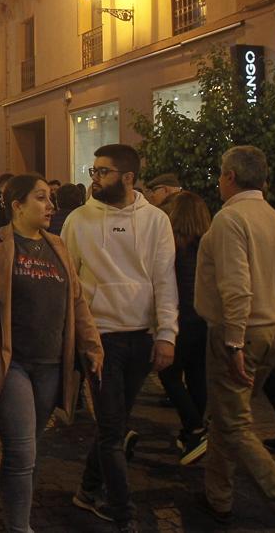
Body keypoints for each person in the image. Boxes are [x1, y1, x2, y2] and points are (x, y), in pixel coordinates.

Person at [0, 174, 103, 533]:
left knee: (27, 450)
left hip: (51, 366)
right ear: (17, 205)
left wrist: (91, 346)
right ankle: (20, 527)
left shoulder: (57, 245)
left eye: (50, 199)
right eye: (41, 198)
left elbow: (76, 301)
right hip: (9, 361)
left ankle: (15, 516)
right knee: (21, 453)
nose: (51, 206)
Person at [190, 146, 275, 531]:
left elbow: (236, 286)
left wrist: (233, 341)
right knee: (224, 417)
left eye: (220, 174)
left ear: (230, 176)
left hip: (240, 333)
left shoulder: (231, 219)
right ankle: (218, 496)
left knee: (235, 426)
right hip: (270, 330)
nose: (219, 181)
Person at [64, 145, 178, 528]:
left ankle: (86, 490)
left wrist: (167, 335)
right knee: (113, 429)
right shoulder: (78, 220)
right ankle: (121, 509)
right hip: (100, 338)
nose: (94, 178)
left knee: (114, 422)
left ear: (129, 178)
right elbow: (70, 282)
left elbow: (164, 280)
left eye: (104, 172)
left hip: (141, 337)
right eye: (93, 170)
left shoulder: (156, 221)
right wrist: (77, 335)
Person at [157, 191, 211, 465]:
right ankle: (192, 431)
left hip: (180, 318)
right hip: (204, 318)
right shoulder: (208, 243)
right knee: (196, 374)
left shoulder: (171, 245)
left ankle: (194, 428)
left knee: (168, 374)